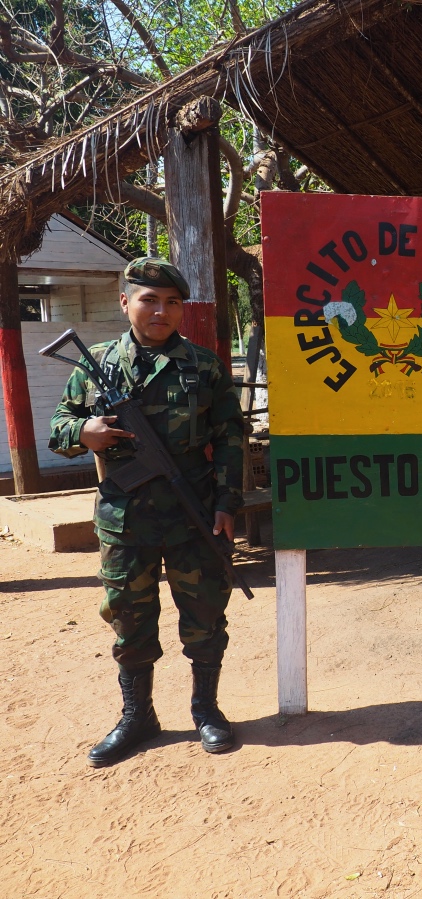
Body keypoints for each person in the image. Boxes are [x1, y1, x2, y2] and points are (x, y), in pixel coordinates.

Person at [48, 258, 245, 767]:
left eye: (172, 302)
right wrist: (83, 433)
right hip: (124, 520)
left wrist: (227, 503)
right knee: (130, 621)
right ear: (125, 303)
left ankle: (207, 710)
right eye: (149, 300)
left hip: (193, 516)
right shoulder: (96, 364)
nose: (161, 311)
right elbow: (60, 426)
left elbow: (229, 437)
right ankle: (138, 716)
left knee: (204, 616)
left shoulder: (203, 366)